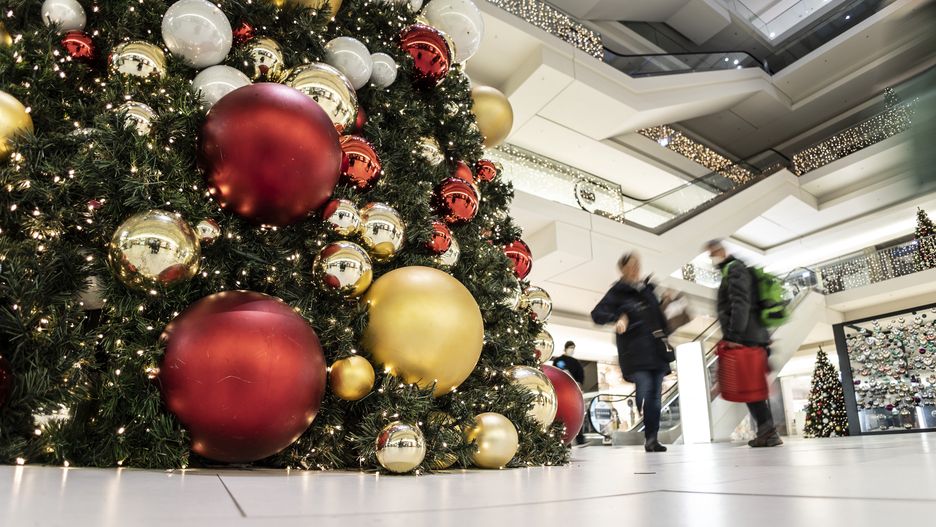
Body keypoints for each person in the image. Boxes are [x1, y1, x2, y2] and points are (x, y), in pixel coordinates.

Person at [590, 252, 671, 453]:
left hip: (657, 350)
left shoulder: (649, 289)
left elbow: (659, 318)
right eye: (632, 265)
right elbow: (597, 314)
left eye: (638, 265)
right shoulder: (617, 292)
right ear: (622, 269)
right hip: (635, 351)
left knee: (655, 397)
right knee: (645, 389)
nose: (636, 269)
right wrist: (619, 317)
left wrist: (666, 304)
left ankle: (651, 439)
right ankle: (643, 414)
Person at [706, 239, 783, 448]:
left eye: (712, 253)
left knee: (752, 387)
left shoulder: (735, 269)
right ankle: (767, 431)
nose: (711, 257)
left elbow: (740, 302)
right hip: (753, 335)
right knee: (753, 387)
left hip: (747, 337)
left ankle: (768, 432)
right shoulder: (735, 269)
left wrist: (733, 336)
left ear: (721, 251)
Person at [552, 341, 586, 444]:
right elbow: (555, 373)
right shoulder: (559, 360)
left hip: (573, 392)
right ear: (566, 348)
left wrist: (579, 385)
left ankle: (579, 438)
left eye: (573, 348)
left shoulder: (576, 362)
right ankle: (559, 438)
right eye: (571, 347)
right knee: (560, 413)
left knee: (576, 413)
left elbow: (580, 376)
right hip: (560, 391)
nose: (572, 350)